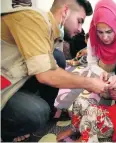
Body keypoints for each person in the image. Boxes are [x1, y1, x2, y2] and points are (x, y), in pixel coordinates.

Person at [1, 0, 109, 141]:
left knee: (57, 57)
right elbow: (46, 74)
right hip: (4, 85)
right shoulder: (33, 19)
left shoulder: (53, 31)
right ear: (65, 11)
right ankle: (7, 132)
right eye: (79, 21)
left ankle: (49, 110)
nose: (80, 29)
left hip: (15, 76)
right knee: (37, 113)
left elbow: (52, 66)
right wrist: (89, 83)